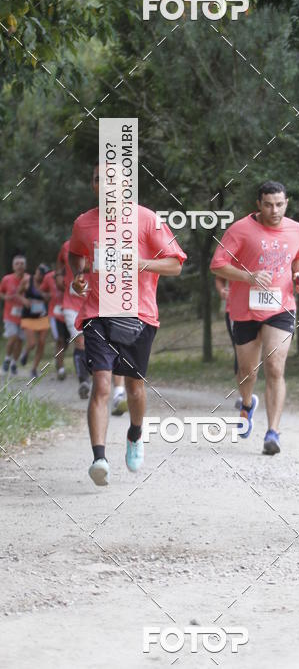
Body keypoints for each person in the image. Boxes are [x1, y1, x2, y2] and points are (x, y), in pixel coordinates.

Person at [68, 165, 186, 487]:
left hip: (139, 314)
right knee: (102, 385)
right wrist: (79, 277)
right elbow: (75, 255)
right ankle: (99, 458)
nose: (105, 186)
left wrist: (139, 262)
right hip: (97, 312)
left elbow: (175, 264)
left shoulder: (147, 219)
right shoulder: (83, 223)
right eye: (98, 180)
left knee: (134, 388)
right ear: (92, 186)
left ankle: (135, 433)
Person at [210, 181, 299, 455]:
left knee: (275, 367)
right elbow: (217, 264)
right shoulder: (240, 229)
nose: (274, 210)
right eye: (268, 204)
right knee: (247, 371)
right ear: (258, 204)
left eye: (279, 204)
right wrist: (248, 276)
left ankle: (273, 432)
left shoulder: (297, 230)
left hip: (281, 307)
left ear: (287, 202)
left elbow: (298, 264)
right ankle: (247, 403)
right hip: (244, 309)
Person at [58, 238, 92, 398]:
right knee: (80, 340)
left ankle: (93, 373)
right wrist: (58, 275)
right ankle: (83, 381)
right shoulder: (67, 246)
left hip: (93, 305)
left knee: (93, 344)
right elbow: (59, 261)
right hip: (71, 304)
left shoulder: (101, 243)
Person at [18, 263, 51, 379]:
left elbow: (51, 296)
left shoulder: (47, 283)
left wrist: (47, 296)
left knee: (41, 342)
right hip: (28, 316)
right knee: (32, 343)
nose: (41, 275)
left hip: (42, 316)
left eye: (43, 274)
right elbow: (18, 293)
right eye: (39, 272)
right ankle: (25, 353)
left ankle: (34, 369)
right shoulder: (27, 280)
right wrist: (24, 300)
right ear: (36, 271)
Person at [0, 254, 27, 376]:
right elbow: (1, 293)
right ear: (13, 266)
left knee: (20, 341)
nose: (19, 266)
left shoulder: (28, 279)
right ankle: (6, 360)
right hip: (9, 315)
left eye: (22, 264)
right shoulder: (7, 279)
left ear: (25, 266)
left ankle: (14, 364)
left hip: (24, 316)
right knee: (13, 337)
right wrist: (7, 297)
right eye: (17, 264)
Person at [40, 267, 67, 379]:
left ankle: (58, 359)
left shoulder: (73, 274)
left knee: (66, 342)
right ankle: (61, 369)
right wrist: (46, 296)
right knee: (59, 340)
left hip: (69, 312)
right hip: (54, 313)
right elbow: (42, 290)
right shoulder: (48, 277)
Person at [214, 276, 238, 376]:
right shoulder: (232, 259)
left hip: (272, 311)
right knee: (241, 352)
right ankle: (247, 391)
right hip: (236, 310)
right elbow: (219, 278)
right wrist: (222, 291)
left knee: (272, 357)